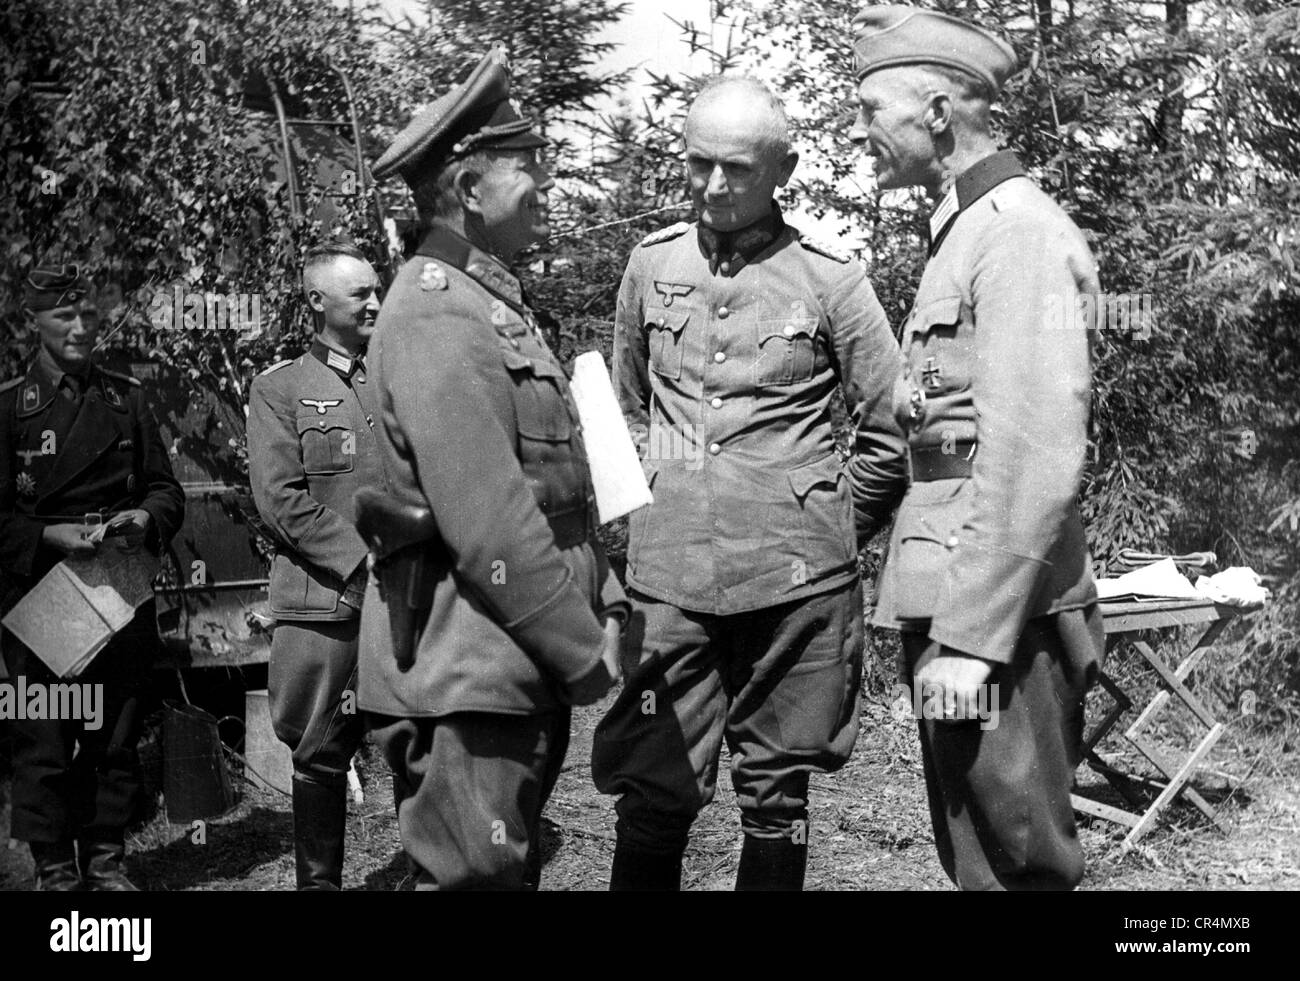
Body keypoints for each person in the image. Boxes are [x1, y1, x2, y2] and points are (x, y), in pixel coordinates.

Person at [591, 76, 908, 891]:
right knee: (651, 792)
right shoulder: (650, 264)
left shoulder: (832, 279)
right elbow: (626, 412)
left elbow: (887, 437)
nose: (715, 186)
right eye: (699, 164)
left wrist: (820, 526)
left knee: (777, 794)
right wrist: (658, 512)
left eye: (738, 168)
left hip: (794, 589)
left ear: (784, 170)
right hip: (670, 583)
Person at [847, 5, 1106, 890]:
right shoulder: (968, 229)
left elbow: (1033, 447)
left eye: (870, 109)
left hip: (1001, 613)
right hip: (964, 595)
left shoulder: (1017, 232)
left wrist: (972, 636)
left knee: (1017, 864)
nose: (858, 132)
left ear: (935, 111)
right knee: (980, 862)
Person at [357, 47, 627, 891]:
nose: (544, 187)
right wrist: (583, 649)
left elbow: (561, 491)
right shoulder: (437, 310)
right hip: (468, 670)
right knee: (476, 880)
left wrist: (606, 599)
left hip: (507, 661)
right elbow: (489, 521)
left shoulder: (484, 299)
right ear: (470, 191)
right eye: (527, 168)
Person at [0, 262, 185, 891]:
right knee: (43, 743)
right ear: (34, 322)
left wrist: (143, 517)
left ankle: (106, 864)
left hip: (115, 588)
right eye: (63, 316)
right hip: (41, 600)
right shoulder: (8, 409)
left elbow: (166, 490)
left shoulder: (126, 399)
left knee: (113, 737)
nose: (79, 328)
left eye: (87, 315)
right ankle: (55, 873)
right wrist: (48, 535)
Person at [245, 243, 384, 890]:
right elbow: (280, 500)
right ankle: (319, 884)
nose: (376, 303)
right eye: (361, 294)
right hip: (328, 601)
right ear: (317, 302)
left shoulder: (396, 378)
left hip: (406, 596)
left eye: (376, 290)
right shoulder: (281, 388)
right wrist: (362, 560)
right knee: (320, 749)